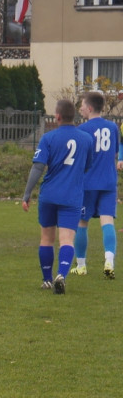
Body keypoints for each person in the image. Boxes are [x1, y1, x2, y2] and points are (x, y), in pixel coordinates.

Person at [22, 99, 94, 294]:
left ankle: (47, 279)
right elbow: (87, 165)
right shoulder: (87, 139)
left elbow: (38, 167)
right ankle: (61, 274)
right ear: (75, 116)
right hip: (72, 196)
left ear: (58, 116)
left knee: (46, 238)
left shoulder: (48, 138)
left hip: (49, 194)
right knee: (66, 240)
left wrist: (27, 194)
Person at [70, 91, 121, 279]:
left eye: (82, 105)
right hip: (108, 181)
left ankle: (81, 265)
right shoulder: (113, 127)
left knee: (82, 222)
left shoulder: (82, 130)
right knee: (107, 221)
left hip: (88, 183)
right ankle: (109, 260)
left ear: (90, 108)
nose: (81, 108)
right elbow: (114, 152)